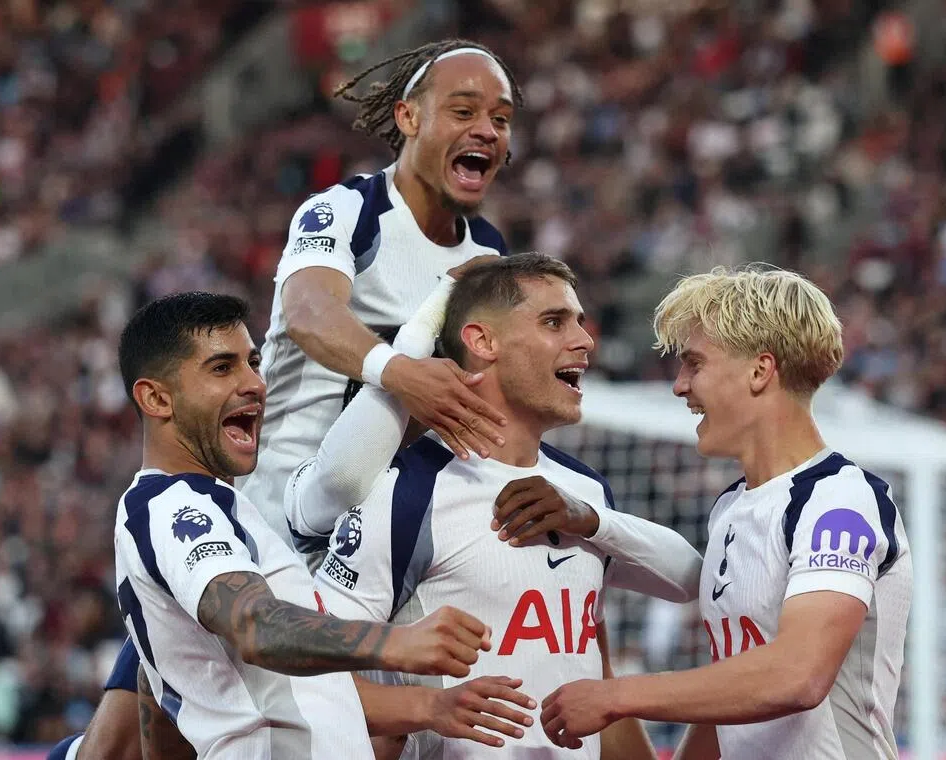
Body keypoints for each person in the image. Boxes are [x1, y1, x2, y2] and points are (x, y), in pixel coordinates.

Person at [306, 254, 704, 758]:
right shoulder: (407, 491)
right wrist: (426, 709)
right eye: (554, 322)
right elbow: (308, 672)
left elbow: (690, 581)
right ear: (482, 341)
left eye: (579, 322)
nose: (584, 340)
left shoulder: (586, 490)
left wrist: (594, 521)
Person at [113, 291, 536, 758]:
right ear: (156, 398)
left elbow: (261, 690)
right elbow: (258, 627)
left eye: (253, 363)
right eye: (221, 368)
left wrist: (430, 706)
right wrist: (395, 643)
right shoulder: (174, 504)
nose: (254, 383)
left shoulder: (214, 509)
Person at [538, 266, 913, 760]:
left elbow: (797, 675)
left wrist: (616, 696)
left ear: (760, 370)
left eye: (694, 364)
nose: (679, 386)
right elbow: (734, 698)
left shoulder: (840, 499)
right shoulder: (731, 508)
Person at [239, 38, 525, 556]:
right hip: (279, 517)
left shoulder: (490, 251)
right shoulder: (347, 210)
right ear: (408, 117)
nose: (487, 130)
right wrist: (401, 374)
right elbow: (308, 311)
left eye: (501, 119)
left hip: (387, 528)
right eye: (463, 111)